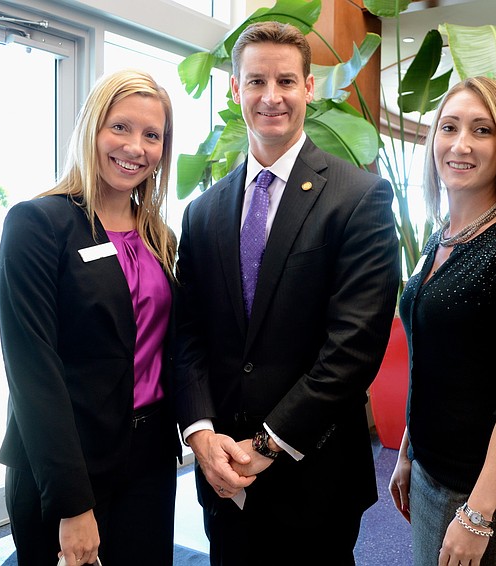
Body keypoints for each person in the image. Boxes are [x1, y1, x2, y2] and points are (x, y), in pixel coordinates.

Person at [174, 20, 400, 565]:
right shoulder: (202, 212)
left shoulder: (359, 197)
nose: (270, 96)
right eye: (255, 81)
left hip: (314, 475)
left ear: (309, 88)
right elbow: (188, 335)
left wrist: (267, 445)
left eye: (286, 81)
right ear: (235, 90)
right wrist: (201, 433)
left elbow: (353, 349)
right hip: (221, 472)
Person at [0, 68, 182, 566]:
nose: (135, 147)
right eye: (119, 127)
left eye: (152, 135)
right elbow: (33, 372)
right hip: (66, 461)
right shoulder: (38, 224)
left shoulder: (160, 237)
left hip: (149, 458)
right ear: (91, 129)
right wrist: (73, 504)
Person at [387, 76, 496, 566]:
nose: (461, 144)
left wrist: (476, 516)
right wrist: (408, 450)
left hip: (487, 495)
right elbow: (435, 362)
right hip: (430, 471)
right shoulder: (439, 238)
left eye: (482, 130)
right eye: (449, 127)